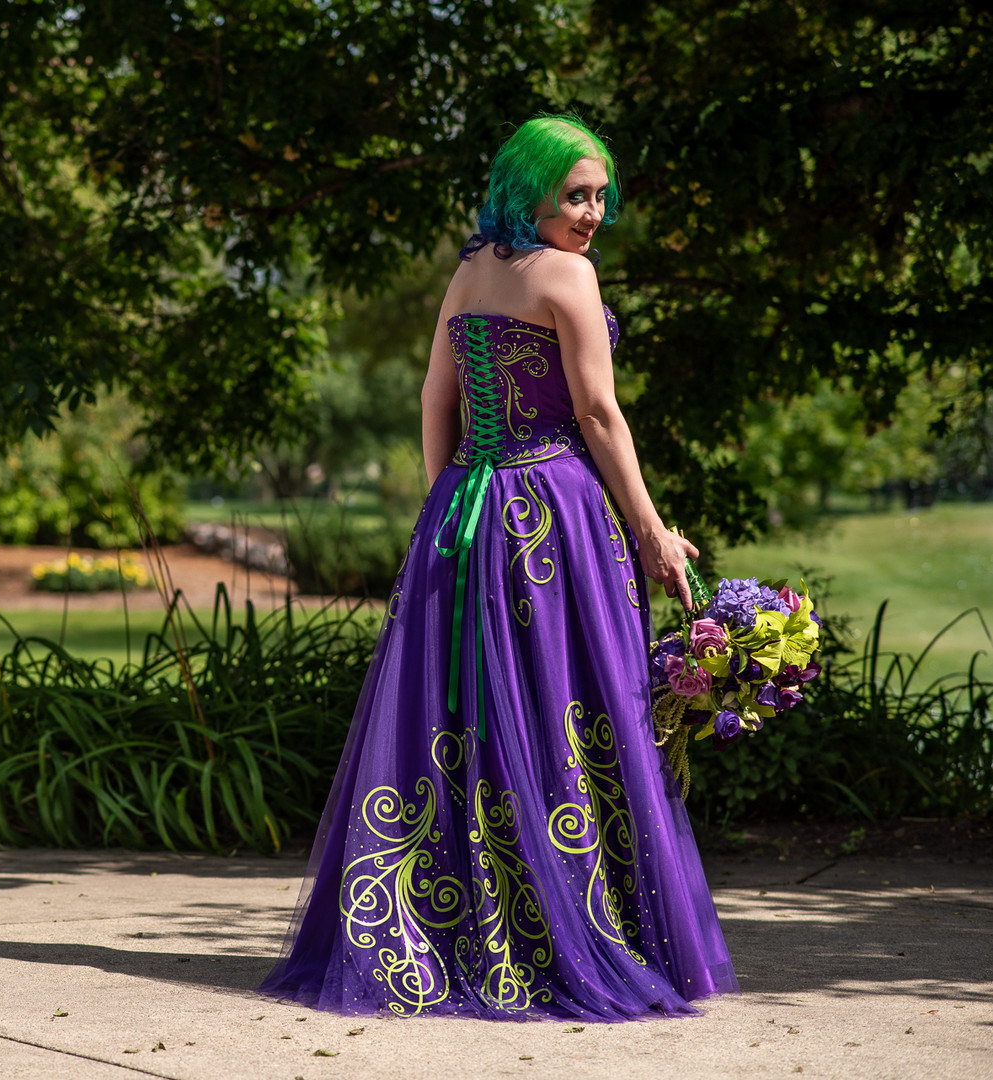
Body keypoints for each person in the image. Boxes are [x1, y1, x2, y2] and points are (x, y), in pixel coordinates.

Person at [257, 115, 738, 1021]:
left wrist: (447, 510)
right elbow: (597, 414)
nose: (592, 214)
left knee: (466, 718)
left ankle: (450, 933)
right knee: (563, 709)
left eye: (600, 197)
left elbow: (434, 398)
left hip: (467, 510)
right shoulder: (567, 275)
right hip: (554, 514)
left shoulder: (471, 267)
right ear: (530, 190)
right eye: (575, 195)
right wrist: (649, 529)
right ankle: (571, 936)